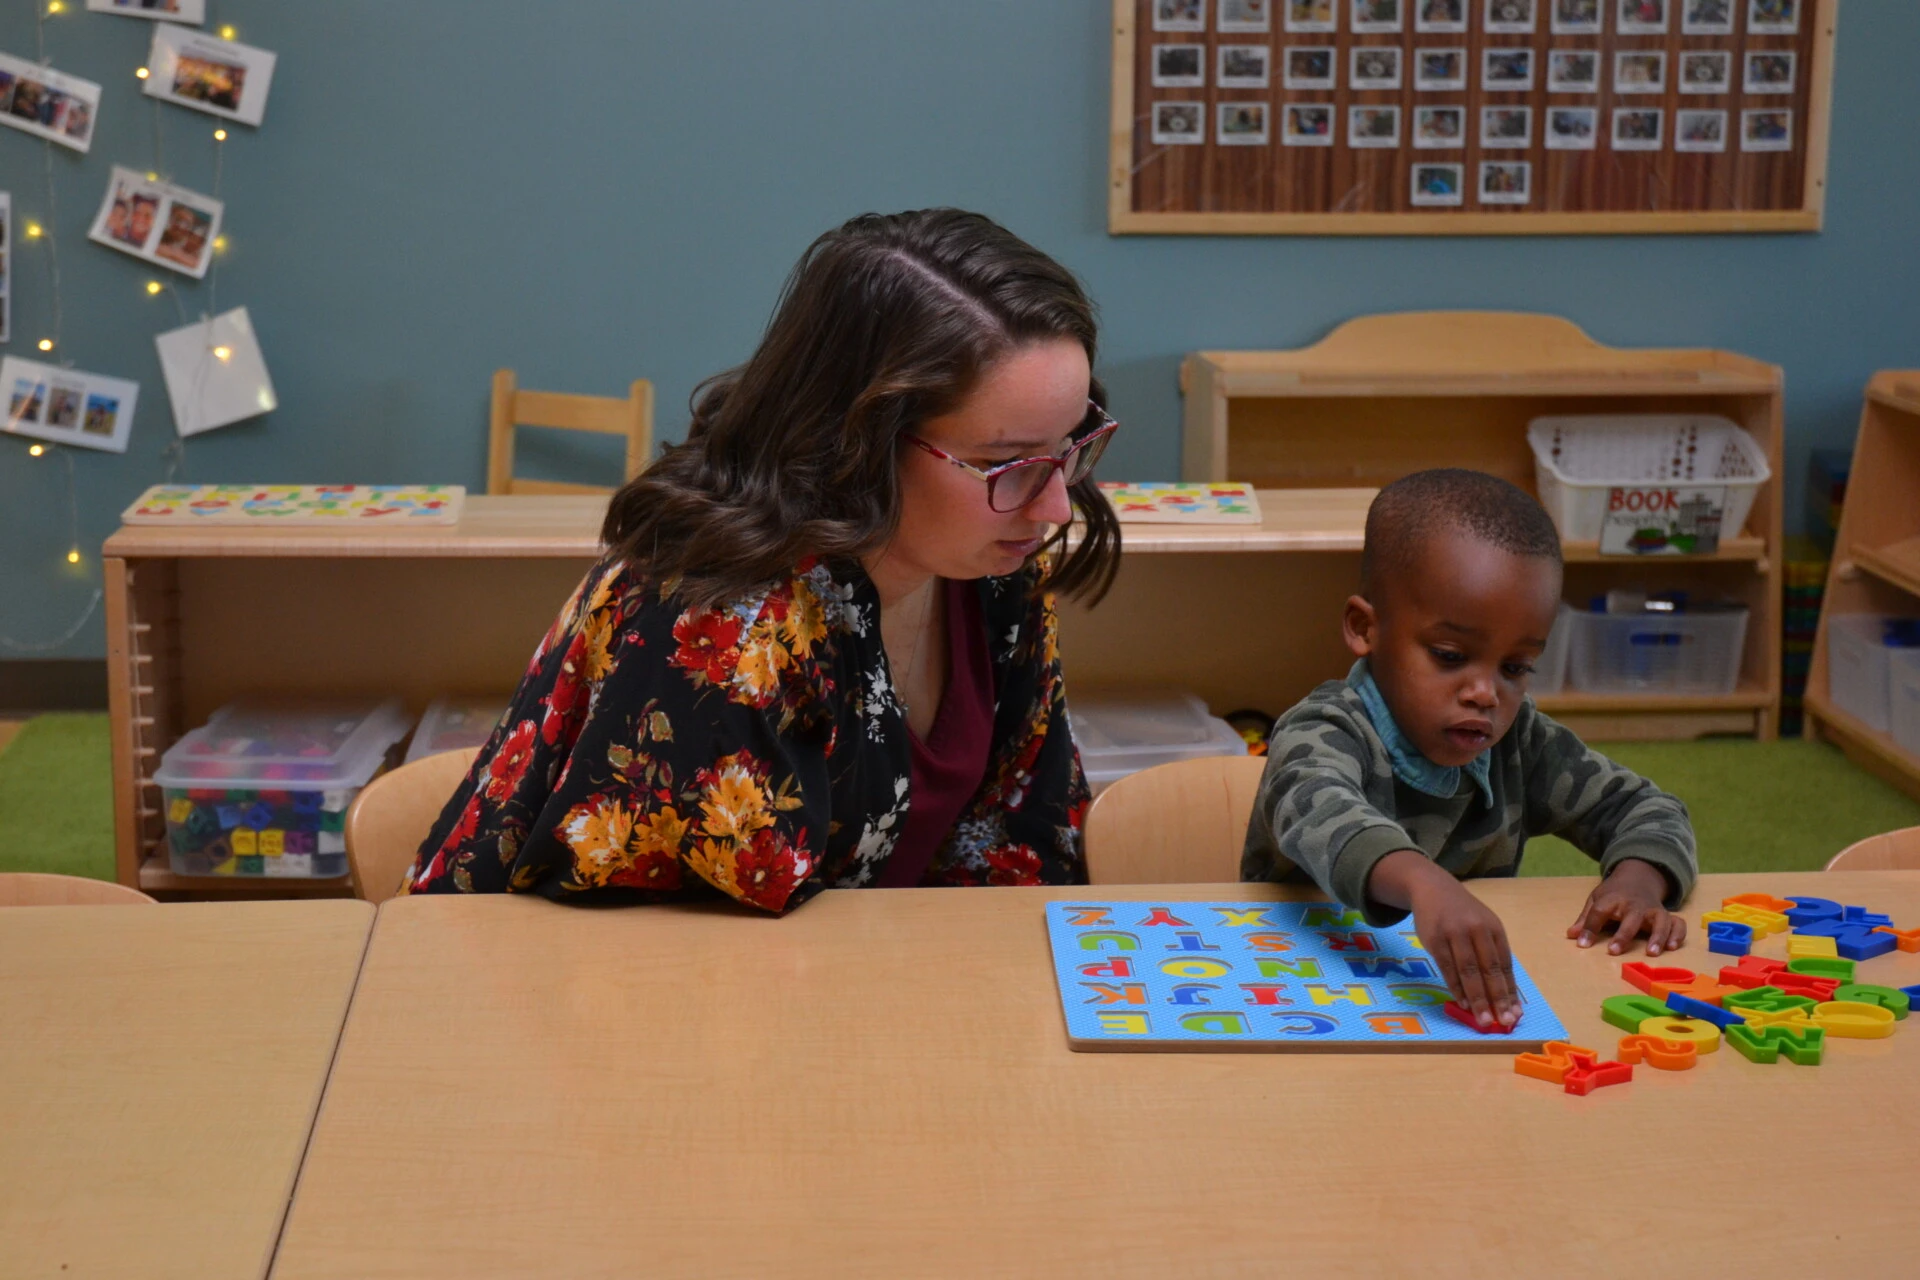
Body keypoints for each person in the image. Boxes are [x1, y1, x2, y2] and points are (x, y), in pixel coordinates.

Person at [406, 208, 1122, 908]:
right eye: (1006, 464)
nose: (1056, 506)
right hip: (565, 974)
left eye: (1071, 447)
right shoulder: (722, 627)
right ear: (860, 438)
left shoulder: (990, 570)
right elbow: (702, 958)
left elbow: (1020, 849)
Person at [1241, 469, 1697, 1029]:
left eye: (1516, 667)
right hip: (1292, 990)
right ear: (1365, 628)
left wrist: (1638, 879)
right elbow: (1323, 811)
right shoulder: (1322, 728)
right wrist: (1425, 882)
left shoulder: (1521, 741)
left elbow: (1647, 808)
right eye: (1450, 656)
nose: (1485, 693)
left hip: (1447, 1000)